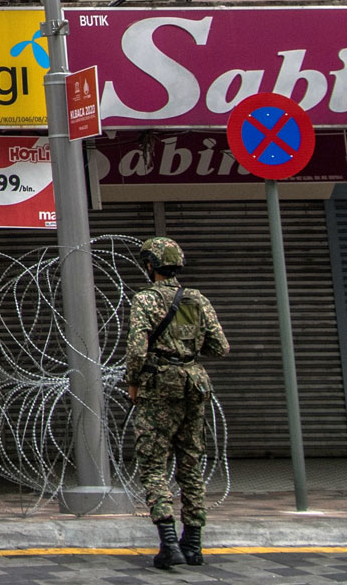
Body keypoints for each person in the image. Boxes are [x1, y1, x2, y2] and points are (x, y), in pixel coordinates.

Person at [126, 236, 229, 570]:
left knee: (154, 463)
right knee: (190, 461)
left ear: (151, 266)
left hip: (159, 385)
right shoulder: (197, 300)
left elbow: (137, 349)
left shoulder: (145, 299)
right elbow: (220, 347)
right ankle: (194, 543)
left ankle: (169, 543)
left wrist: (133, 381)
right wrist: (189, 348)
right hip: (194, 383)